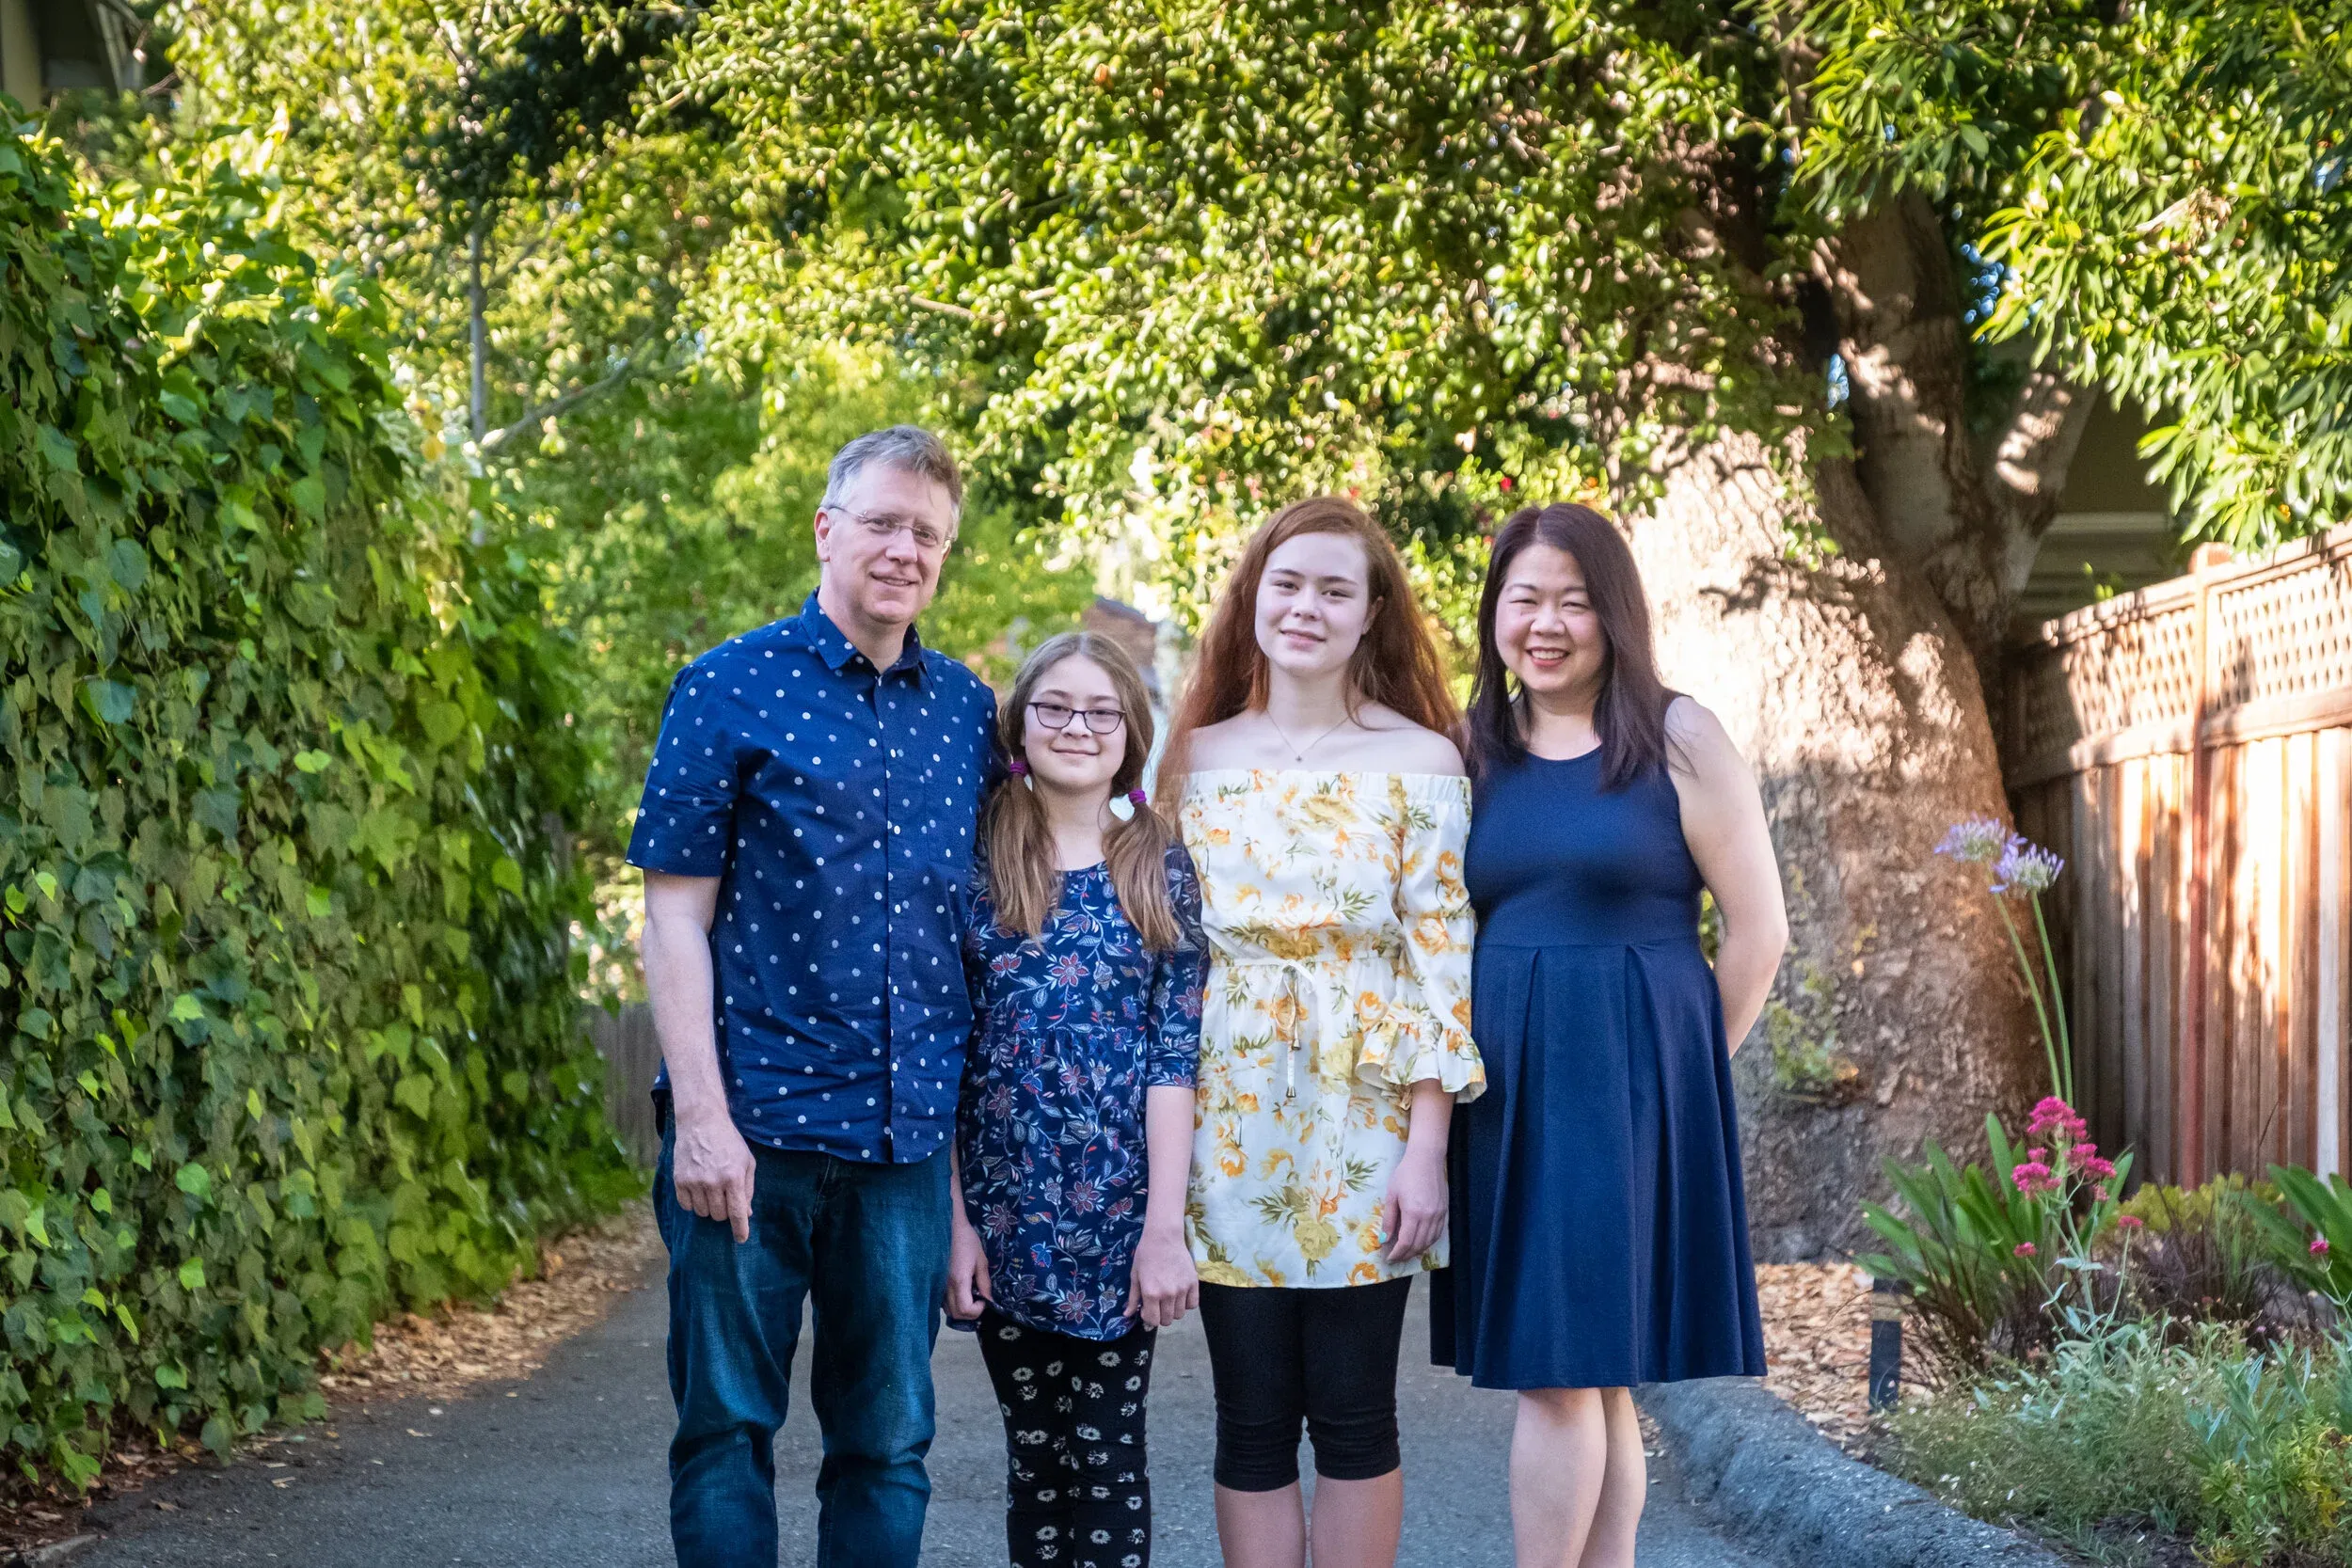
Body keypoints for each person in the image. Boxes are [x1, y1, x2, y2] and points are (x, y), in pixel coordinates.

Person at [629, 425, 999, 1568]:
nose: (905, 550)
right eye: (883, 522)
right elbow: (673, 917)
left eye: (927, 534)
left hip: (899, 1152)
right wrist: (700, 1117)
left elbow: (976, 940)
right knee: (728, 1428)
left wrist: (959, 1189)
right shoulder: (727, 686)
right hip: (751, 1138)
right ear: (827, 529)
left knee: (887, 1444)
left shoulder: (971, 715)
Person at [1432, 502, 1788, 1568]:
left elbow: (1758, 931)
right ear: (1494, 610)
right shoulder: (1468, 748)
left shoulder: (1678, 734)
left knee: (1557, 1368)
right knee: (1589, 1371)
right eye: (1523, 597)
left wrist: (1674, 1083)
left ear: (1614, 614)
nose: (1544, 623)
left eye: (1572, 600)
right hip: (1507, 1092)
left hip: (1628, 1085)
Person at [1157, 495, 1485, 1568]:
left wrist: (1425, 1150)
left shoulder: (1423, 762)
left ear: (1370, 612)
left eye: (1334, 588)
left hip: (1367, 1116)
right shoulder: (1189, 756)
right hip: (1224, 1111)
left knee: (1353, 1410)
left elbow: (1441, 968)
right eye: (1287, 581)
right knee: (1249, 1415)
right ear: (1253, 593)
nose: (1306, 605)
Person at [944, 630, 1209, 1568]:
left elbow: (1173, 1058)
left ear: (1131, 732)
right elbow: (946, 1051)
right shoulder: (978, 860)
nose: (1077, 725)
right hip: (1005, 1215)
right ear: (1021, 722)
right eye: (1054, 705)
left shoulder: (1158, 867)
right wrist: (956, 1222)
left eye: (1101, 709)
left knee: (1104, 1454)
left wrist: (1163, 1228)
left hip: (1116, 1220)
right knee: (1036, 1458)